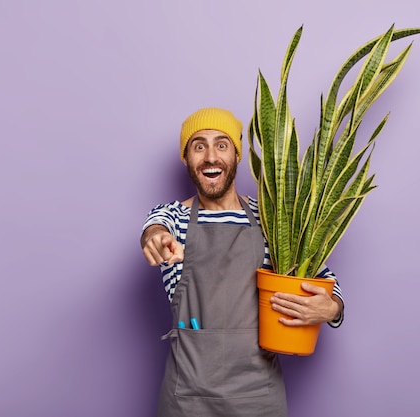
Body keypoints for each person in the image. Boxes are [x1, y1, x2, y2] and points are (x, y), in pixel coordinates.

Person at [140, 107, 345, 417]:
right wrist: (155, 238)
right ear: (186, 159)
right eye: (199, 146)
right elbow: (155, 228)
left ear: (236, 155)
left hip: (259, 400)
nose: (210, 156)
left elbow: (325, 278)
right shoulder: (174, 218)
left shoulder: (271, 222)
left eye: (222, 144)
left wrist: (332, 309)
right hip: (187, 402)